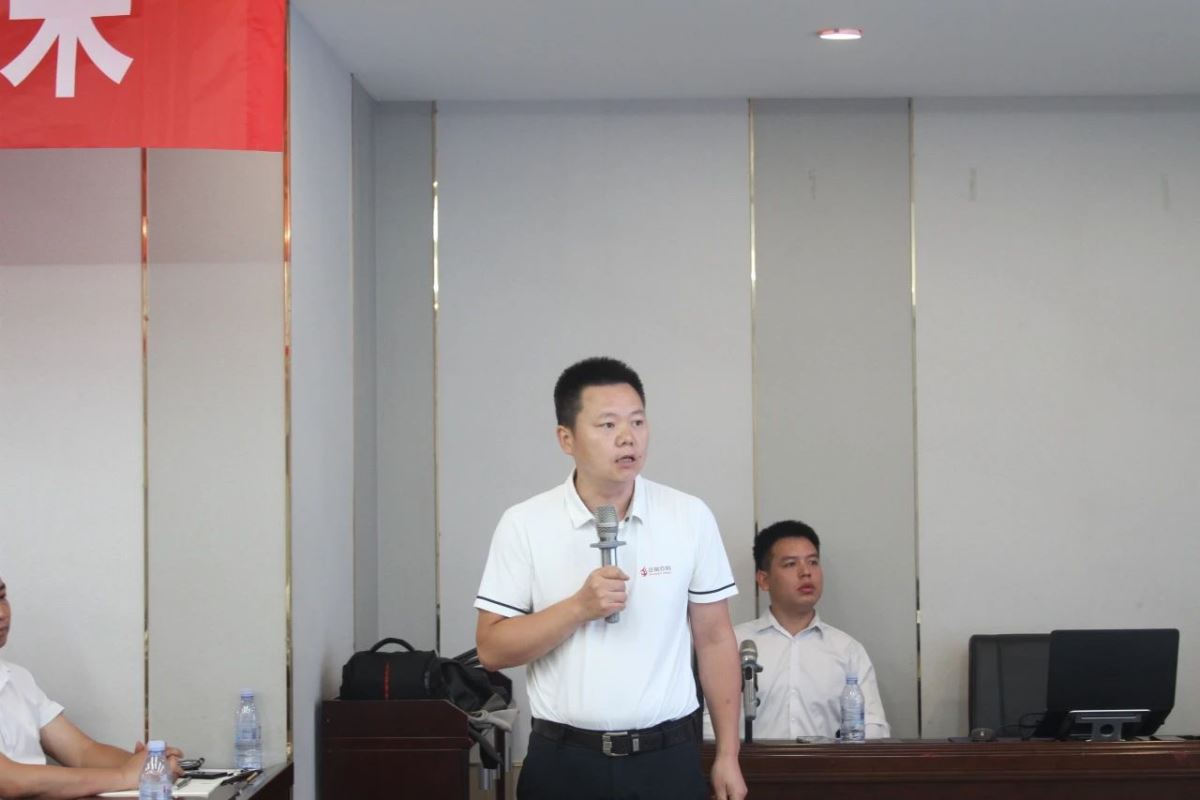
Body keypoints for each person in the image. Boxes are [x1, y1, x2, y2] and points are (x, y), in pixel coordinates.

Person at [474, 357, 747, 800]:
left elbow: (715, 638)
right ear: (566, 438)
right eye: (607, 425)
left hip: (667, 759)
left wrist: (728, 755)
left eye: (637, 421)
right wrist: (577, 609)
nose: (627, 437)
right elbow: (491, 649)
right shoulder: (524, 524)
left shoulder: (689, 516)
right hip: (563, 762)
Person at [0, 575, 183, 799]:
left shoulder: (17, 678)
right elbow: (9, 781)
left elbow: (82, 751)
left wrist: (151, 765)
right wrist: (124, 776)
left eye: (2, 597)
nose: (2, 613)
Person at [705, 520, 889, 741]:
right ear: (764, 580)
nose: (806, 572)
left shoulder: (847, 650)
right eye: (791, 564)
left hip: (828, 763)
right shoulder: (733, 644)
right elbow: (707, 724)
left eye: (813, 562)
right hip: (748, 763)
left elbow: (874, 727)